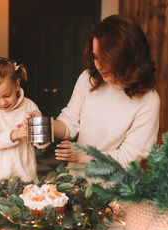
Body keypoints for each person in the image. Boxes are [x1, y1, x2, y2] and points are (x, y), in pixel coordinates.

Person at [53, 15, 160, 169]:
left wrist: (82, 156)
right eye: (96, 57)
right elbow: (69, 123)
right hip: (75, 181)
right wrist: (43, 125)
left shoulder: (149, 100)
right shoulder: (88, 79)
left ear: (128, 56)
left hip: (114, 189)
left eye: (107, 58)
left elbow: (128, 157)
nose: (99, 65)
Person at [0, 57, 42, 182]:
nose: (2, 103)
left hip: (26, 176)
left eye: (7, 95)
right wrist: (15, 134)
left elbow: (40, 144)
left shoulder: (29, 106)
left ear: (17, 85)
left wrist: (38, 125)